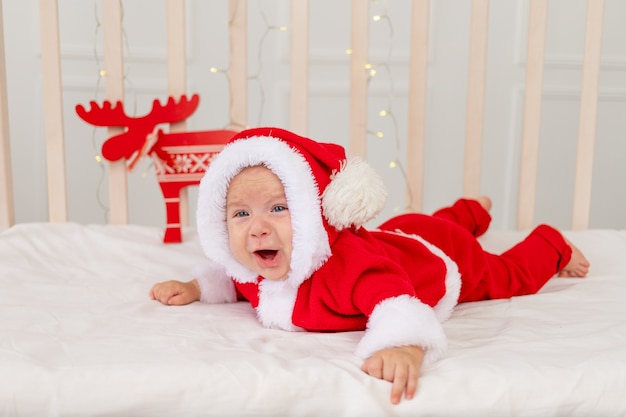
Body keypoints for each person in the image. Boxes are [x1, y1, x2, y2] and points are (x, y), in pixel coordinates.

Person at [150, 127, 590, 405]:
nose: (257, 229)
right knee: (431, 223)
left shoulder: (351, 271)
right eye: (241, 214)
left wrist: (403, 344)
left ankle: (550, 245)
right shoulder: (254, 268)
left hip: (437, 260)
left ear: (312, 213)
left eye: (278, 208)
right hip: (400, 233)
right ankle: (470, 210)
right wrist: (195, 286)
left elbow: (395, 302)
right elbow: (233, 277)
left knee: (501, 276)